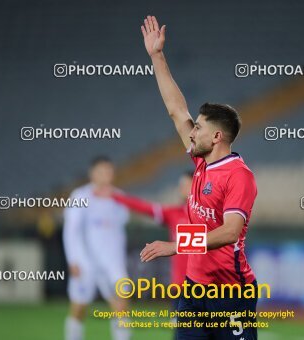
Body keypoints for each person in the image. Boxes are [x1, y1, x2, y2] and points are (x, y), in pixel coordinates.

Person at [139, 16, 259, 340]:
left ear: (217, 136)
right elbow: (176, 110)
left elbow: (230, 232)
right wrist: (156, 56)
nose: (191, 131)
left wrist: (175, 246)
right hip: (193, 291)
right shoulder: (201, 161)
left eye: (199, 128)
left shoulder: (239, 177)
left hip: (230, 294)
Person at [63, 156, 130, 340]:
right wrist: (74, 260)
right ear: (92, 173)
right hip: (86, 262)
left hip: (113, 263)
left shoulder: (119, 197)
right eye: (102, 171)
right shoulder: (80, 197)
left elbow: (121, 227)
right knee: (79, 308)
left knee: (121, 306)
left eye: (109, 171)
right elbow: (71, 231)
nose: (106, 175)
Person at [111, 171, 192, 291]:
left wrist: (173, 246)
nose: (181, 188)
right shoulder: (174, 213)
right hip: (180, 283)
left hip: (207, 283)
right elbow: (145, 207)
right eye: (180, 185)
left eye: (185, 184)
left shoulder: (209, 214)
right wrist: (116, 196)